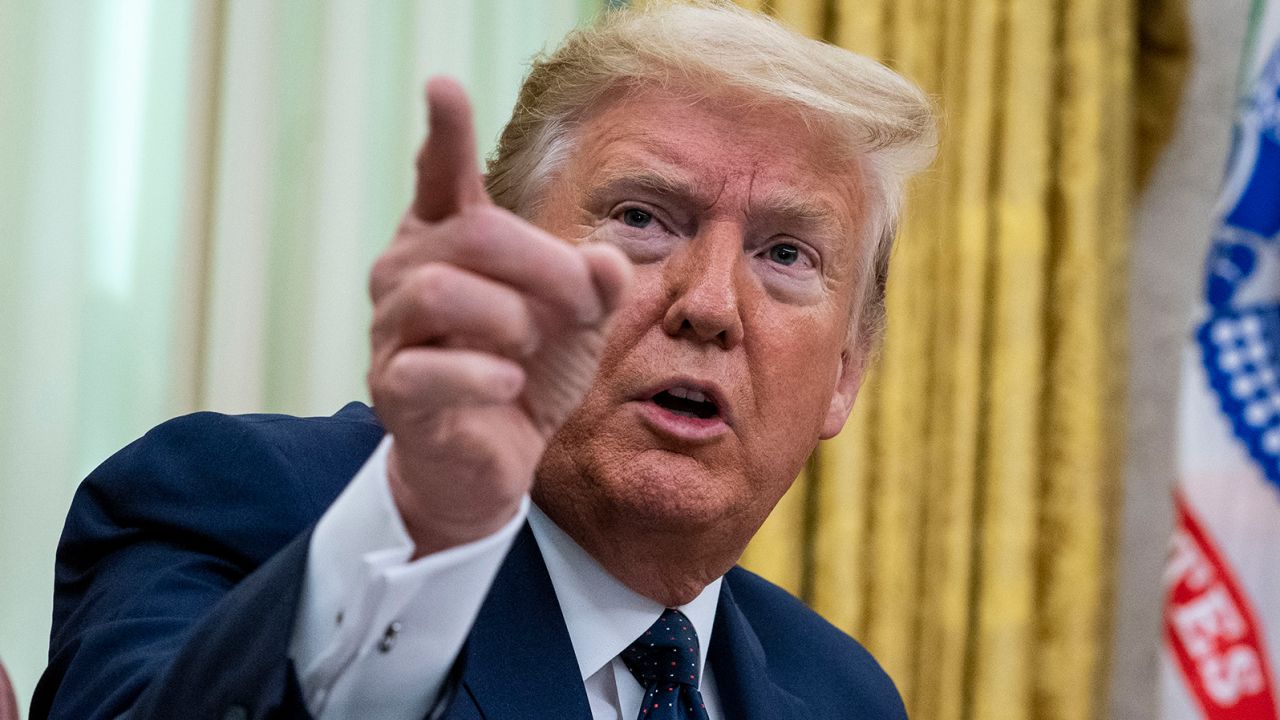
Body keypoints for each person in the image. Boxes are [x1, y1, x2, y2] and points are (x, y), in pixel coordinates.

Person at [33, 2, 936, 719]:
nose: (707, 304)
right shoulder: (225, 508)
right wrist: (430, 525)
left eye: (786, 255)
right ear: (500, 265)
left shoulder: (841, 691)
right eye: (642, 219)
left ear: (846, 374)